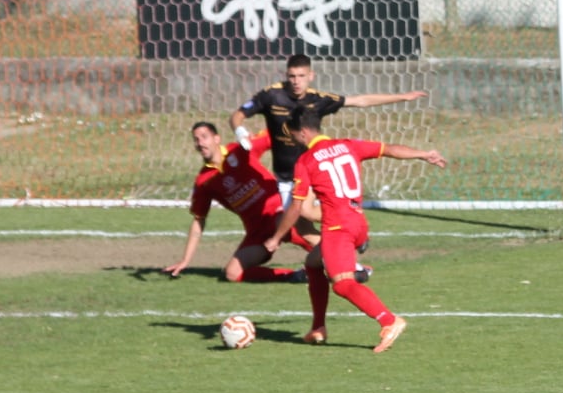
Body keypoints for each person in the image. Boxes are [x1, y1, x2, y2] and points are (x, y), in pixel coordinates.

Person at [265, 109, 446, 353]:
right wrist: (424, 154)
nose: (294, 139)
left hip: (338, 228)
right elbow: (390, 149)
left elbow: (297, 207)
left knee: (342, 284)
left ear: (304, 131)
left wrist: (276, 238)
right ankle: (318, 327)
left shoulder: (306, 161)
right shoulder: (347, 145)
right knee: (313, 263)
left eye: (294, 134)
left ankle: (389, 321)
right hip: (358, 222)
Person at [231, 53, 425, 208]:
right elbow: (237, 116)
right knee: (298, 225)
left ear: (311, 76)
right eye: (292, 76)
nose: (296, 81)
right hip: (285, 175)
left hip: (314, 170)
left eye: (301, 76)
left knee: (303, 216)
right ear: (286, 76)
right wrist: (240, 131)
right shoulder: (271, 96)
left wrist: (401, 97)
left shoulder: (318, 99)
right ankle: (346, 234)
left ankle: (349, 225)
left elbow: (360, 101)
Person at [161, 121, 310, 284]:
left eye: (204, 137)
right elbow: (199, 220)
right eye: (196, 139)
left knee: (315, 244)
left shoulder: (241, 150)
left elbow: (276, 133)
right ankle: (296, 276)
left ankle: (332, 262)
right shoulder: (204, 181)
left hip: (278, 214)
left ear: (217, 138)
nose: (200, 143)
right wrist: (185, 260)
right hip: (257, 231)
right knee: (232, 273)